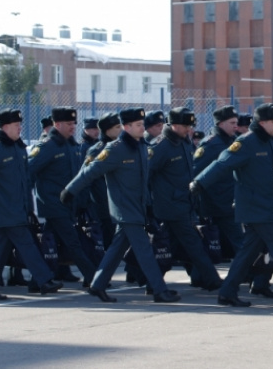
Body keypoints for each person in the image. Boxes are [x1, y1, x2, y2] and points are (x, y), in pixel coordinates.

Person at [192, 103, 273, 308]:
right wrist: (200, 182)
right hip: (255, 207)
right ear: (262, 122)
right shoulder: (246, 142)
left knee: (247, 253)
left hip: (269, 206)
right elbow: (222, 163)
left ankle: (227, 292)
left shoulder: (272, 142)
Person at [62, 107, 181, 303]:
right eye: (137, 125)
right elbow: (91, 171)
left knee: (116, 249)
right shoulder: (115, 149)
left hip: (138, 207)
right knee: (144, 250)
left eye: (143, 124)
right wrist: (70, 190)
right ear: (126, 127)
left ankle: (97, 285)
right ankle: (159, 290)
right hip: (125, 208)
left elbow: (144, 180)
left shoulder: (142, 146)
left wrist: (148, 205)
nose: (142, 128)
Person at [193, 106, 273, 298]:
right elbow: (200, 173)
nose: (236, 126)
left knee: (220, 243)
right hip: (217, 203)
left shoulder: (231, 142)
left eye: (236, 123)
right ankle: (250, 278)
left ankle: (207, 277)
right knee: (237, 243)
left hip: (229, 202)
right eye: (232, 123)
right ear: (221, 123)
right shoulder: (211, 145)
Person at [149, 107, 222, 292]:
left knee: (170, 247)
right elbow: (147, 174)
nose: (189, 129)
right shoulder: (161, 146)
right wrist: (149, 202)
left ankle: (153, 282)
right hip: (170, 205)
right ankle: (212, 280)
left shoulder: (184, 142)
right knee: (193, 243)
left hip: (184, 201)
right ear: (173, 125)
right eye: (185, 126)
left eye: (190, 126)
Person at [28, 106, 98, 289]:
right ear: (57, 124)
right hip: (53, 204)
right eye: (68, 124)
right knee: (73, 242)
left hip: (69, 205)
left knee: (49, 244)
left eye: (74, 123)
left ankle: (38, 281)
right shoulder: (47, 147)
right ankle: (93, 277)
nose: (73, 127)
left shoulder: (72, 146)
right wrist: (28, 203)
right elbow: (29, 172)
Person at [0, 109, 64, 299]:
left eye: (20, 124)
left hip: (17, 210)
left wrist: (29, 208)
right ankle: (44, 280)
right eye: (16, 125)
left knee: (2, 251)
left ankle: (44, 281)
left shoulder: (19, 148)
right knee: (28, 245)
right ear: (5, 127)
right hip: (5, 210)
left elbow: (26, 181)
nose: (20, 128)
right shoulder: (0, 149)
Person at [82, 113, 122, 248]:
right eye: (91, 128)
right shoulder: (95, 149)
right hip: (99, 196)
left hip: (116, 197)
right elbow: (84, 175)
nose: (95, 131)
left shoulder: (119, 146)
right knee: (106, 228)